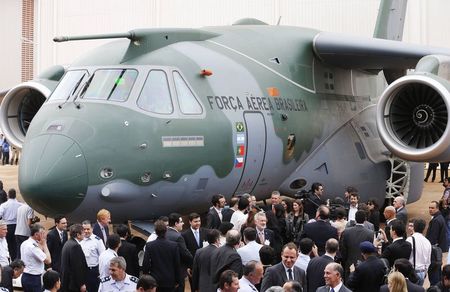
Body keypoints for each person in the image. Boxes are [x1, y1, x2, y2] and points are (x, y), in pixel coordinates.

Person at [142, 220, 182, 291]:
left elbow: (146, 264)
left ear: (155, 231)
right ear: (166, 230)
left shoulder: (149, 245)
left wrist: (147, 278)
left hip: (155, 281)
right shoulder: (174, 245)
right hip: (170, 280)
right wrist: (178, 280)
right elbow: (177, 264)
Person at [340, 210, 374, 281]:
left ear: (355, 219)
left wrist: (345, 262)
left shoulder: (346, 232)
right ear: (365, 219)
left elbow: (343, 250)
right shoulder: (370, 233)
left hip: (349, 264)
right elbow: (370, 251)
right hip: (364, 265)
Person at [166, 213, 193, 292]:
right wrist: (193, 263)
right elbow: (185, 253)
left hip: (167, 272)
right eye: (181, 222)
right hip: (178, 272)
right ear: (176, 223)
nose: (183, 223)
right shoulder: (178, 237)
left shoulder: (164, 234)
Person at [21, 223, 51, 292]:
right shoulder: (33, 246)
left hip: (26, 275)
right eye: (42, 233)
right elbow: (48, 260)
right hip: (33, 278)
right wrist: (45, 244)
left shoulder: (25, 243)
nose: (45, 235)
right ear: (36, 234)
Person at [79, 220, 105, 292]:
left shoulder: (97, 240)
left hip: (94, 271)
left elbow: (102, 257)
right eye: (84, 229)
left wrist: (101, 272)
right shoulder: (80, 240)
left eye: (88, 229)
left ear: (92, 229)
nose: (86, 231)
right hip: (83, 271)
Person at [60, 224, 88, 292]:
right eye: (83, 232)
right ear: (78, 235)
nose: (85, 234)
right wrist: (81, 284)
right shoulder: (75, 246)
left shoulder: (68, 243)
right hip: (74, 285)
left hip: (67, 282)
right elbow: (77, 267)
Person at [427, 200, 449, 285]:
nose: (430, 209)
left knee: (434, 275)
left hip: (435, 251)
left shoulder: (436, 220)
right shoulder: (438, 217)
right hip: (438, 250)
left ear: (437, 209)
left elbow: (433, 238)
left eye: (432, 208)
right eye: (429, 208)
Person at [406, 218, 431, 285]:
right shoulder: (427, 242)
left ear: (414, 227)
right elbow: (428, 261)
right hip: (422, 273)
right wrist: (425, 272)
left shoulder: (410, 239)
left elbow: (406, 256)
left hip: (412, 273)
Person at [0, 188, 22, 260]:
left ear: (8, 195)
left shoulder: (4, 205)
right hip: (17, 226)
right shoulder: (20, 205)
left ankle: (9, 259)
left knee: (7, 244)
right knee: (16, 244)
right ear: (15, 195)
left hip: (7, 226)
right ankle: (15, 260)